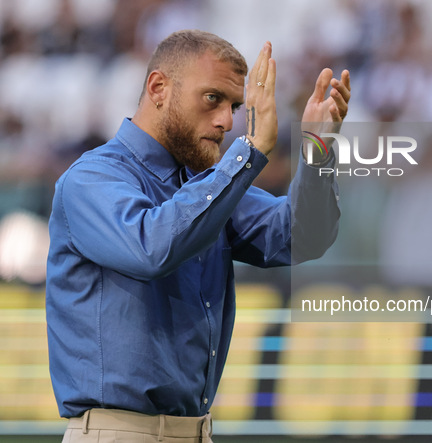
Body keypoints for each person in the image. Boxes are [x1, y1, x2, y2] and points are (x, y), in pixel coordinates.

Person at [46, 29, 350, 442]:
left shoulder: (206, 184)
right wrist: (248, 151)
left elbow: (301, 237)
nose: (227, 121)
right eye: (212, 99)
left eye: (235, 106)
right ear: (158, 88)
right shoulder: (91, 178)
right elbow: (150, 248)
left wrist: (318, 145)